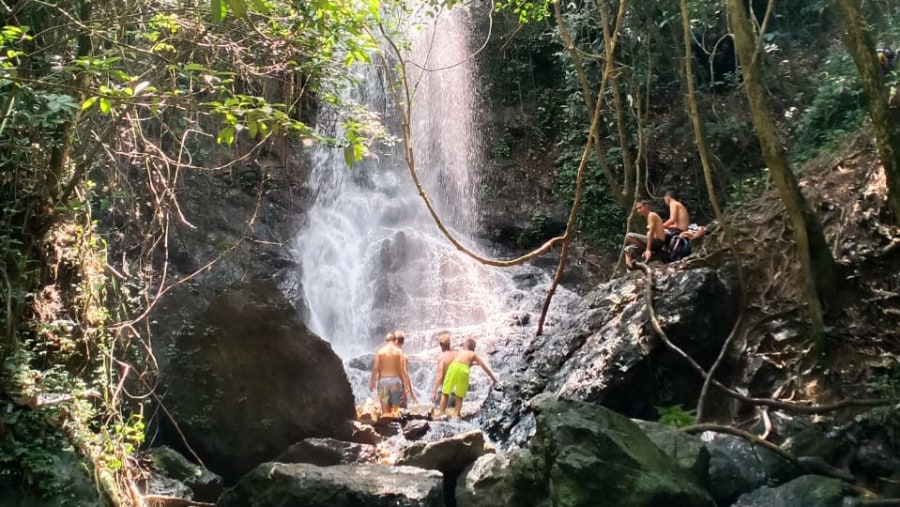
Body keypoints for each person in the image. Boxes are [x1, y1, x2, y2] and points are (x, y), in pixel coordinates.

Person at [436, 336, 498, 418]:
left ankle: (441, 413)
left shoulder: (460, 351)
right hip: (464, 370)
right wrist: (493, 379)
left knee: (445, 392)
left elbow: (457, 362)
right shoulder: (473, 354)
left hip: (454, 367)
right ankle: (456, 414)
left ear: (465, 346)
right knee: (460, 395)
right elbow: (483, 366)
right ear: (473, 348)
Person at [368, 332, 414, 416]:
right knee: (395, 411)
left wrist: (372, 382)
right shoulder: (399, 352)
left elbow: (375, 368)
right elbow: (403, 370)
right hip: (395, 382)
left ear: (386, 341)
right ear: (395, 340)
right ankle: (396, 427)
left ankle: (386, 425)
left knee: (385, 412)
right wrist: (406, 385)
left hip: (383, 382)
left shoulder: (380, 352)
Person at [625, 200, 666, 265]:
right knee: (628, 249)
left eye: (640, 208)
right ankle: (629, 271)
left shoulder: (652, 215)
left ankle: (646, 250)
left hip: (657, 242)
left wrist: (648, 250)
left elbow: (651, 233)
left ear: (646, 206)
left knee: (629, 236)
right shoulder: (648, 217)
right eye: (637, 209)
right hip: (653, 242)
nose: (638, 210)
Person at [430, 331, 457, 411]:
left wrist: (434, 392)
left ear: (441, 345)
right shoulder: (457, 355)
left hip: (445, 394)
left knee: (439, 418)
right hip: (457, 393)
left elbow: (440, 376)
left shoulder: (442, 357)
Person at [393, 330, 418, 408]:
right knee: (402, 414)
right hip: (400, 387)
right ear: (402, 342)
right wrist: (412, 394)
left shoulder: (387, 355)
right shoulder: (404, 356)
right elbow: (406, 375)